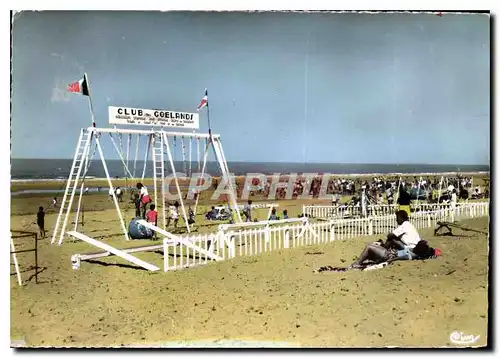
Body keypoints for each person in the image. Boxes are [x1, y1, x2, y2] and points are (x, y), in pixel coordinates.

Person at [349, 210, 422, 268]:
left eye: (397, 218)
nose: (396, 220)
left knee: (369, 246)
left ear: (400, 218)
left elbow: (391, 235)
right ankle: (379, 252)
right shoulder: (410, 225)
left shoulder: (404, 225)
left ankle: (357, 263)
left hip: (406, 250)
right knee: (391, 240)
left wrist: (386, 245)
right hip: (410, 250)